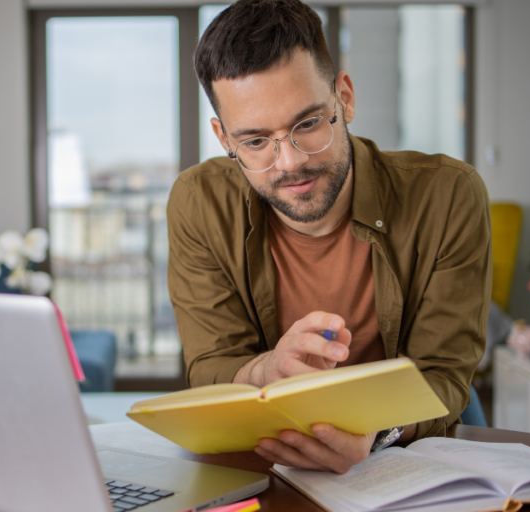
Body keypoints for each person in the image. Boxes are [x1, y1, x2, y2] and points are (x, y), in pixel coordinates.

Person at [166, 0, 491, 474]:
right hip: (271, 462)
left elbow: (442, 373)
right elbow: (212, 365)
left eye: (308, 124)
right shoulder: (198, 201)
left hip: (403, 458)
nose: (291, 161)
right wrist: (268, 369)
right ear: (223, 138)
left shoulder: (448, 194)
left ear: (345, 97)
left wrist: (376, 433)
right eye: (256, 141)